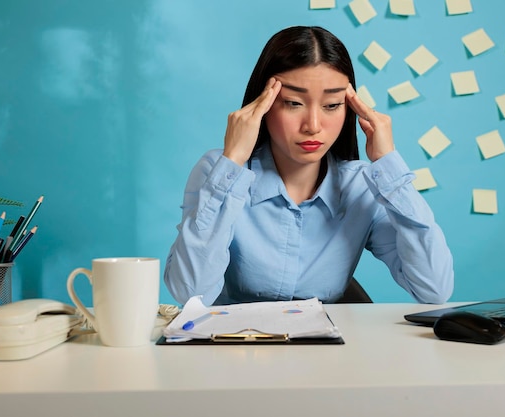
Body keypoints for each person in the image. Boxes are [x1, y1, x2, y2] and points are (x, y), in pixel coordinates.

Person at [164, 26, 453, 306]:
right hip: (232, 349)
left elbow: (433, 289)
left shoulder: (361, 187)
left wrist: (389, 167)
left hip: (328, 352)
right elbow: (190, 293)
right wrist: (234, 160)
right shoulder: (218, 171)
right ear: (262, 105)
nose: (313, 126)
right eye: (293, 103)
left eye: (331, 105)